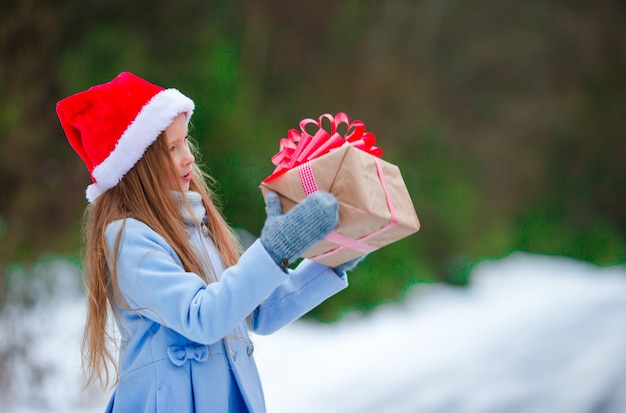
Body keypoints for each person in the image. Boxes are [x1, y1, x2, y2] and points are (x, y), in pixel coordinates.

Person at [56, 72, 363, 412]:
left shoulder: (194, 222)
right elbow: (203, 316)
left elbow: (256, 310)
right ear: (136, 164)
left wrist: (332, 259)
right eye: (172, 148)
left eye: (185, 141)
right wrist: (274, 249)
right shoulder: (128, 238)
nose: (188, 156)